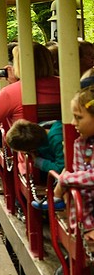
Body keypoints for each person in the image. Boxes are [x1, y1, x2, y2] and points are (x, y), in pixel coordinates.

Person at [0, 43, 61, 134]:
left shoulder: (11, 92)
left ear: (20, 65)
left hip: (26, 145)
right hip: (61, 144)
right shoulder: (63, 85)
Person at [53, 86, 94, 258]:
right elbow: (83, 193)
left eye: (78, 117)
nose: (74, 123)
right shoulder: (80, 144)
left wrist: (65, 179)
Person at [5, 118, 65, 211]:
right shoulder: (40, 131)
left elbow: (61, 168)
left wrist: (39, 161)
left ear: (32, 149)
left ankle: (57, 198)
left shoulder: (56, 139)